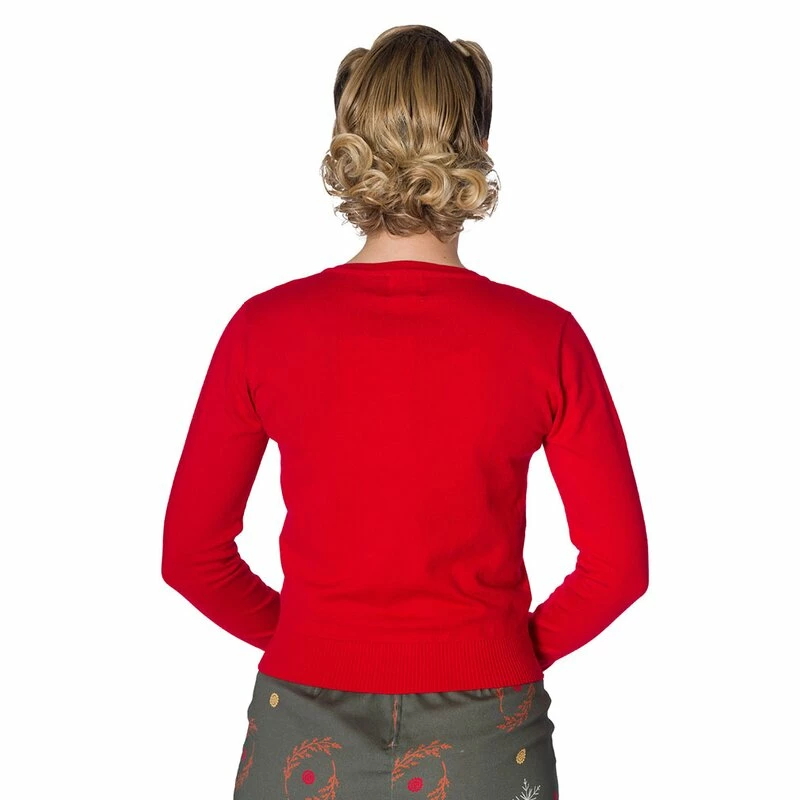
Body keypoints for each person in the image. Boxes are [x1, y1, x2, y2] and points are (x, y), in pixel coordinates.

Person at [162, 24, 649, 800]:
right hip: (489, 731)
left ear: (349, 140)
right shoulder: (545, 338)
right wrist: (504, 651)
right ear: (476, 144)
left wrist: (313, 640)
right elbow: (618, 568)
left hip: (301, 721)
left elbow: (191, 555)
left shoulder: (263, 330)